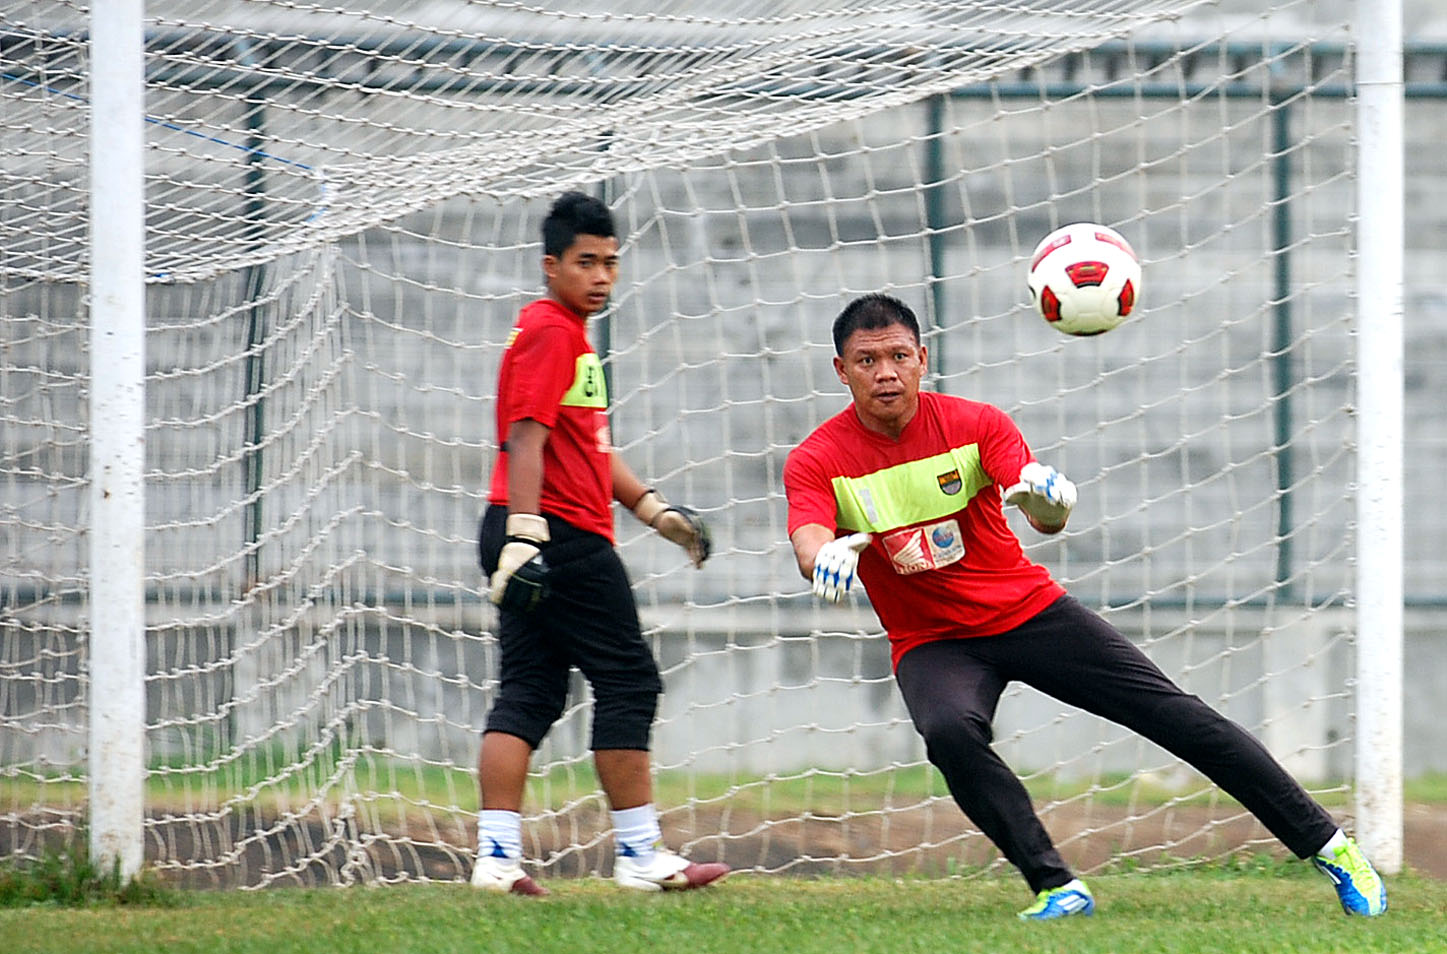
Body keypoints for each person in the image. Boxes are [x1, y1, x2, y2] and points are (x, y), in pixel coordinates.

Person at [782, 292, 1387, 920]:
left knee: (1177, 717)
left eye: (898, 355)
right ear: (841, 370)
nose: (885, 372)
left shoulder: (976, 423)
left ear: (922, 359)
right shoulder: (817, 459)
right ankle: (1056, 886)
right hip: (932, 642)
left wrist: (1050, 499)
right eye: (867, 359)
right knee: (948, 735)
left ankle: (1333, 849)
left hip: (1028, 612)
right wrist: (823, 555)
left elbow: (1040, 510)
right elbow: (808, 538)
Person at [471, 191, 729, 896]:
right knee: (628, 681)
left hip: (528, 527)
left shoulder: (563, 333)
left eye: (611, 263)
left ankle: (495, 861)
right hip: (557, 534)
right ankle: (640, 855)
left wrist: (653, 510)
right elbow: (526, 435)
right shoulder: (553, 331)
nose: (601, 277)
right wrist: (528, 536)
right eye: (585, 262)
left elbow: (584, 442)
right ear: (550, 265)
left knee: (526, 693)